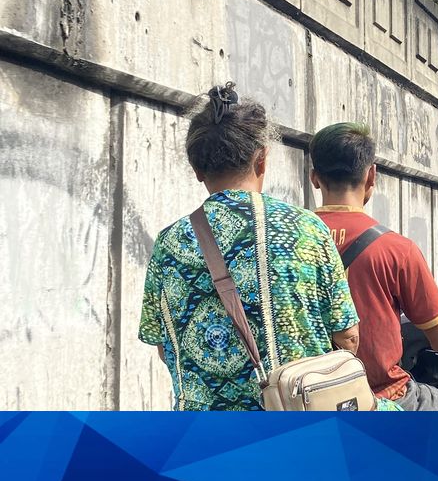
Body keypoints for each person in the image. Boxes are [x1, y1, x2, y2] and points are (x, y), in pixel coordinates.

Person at [137, 83, 383, 410]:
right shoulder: (306, 229)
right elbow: (348, 337)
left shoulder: (169, 243)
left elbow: (164, 346)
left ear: (197, 169)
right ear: (262, 159)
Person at [308, 122, 438, 411]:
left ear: (314, 178)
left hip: (306, 398)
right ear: (372, 176)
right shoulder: (397, 249)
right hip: (380, 398)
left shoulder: (285, 242)